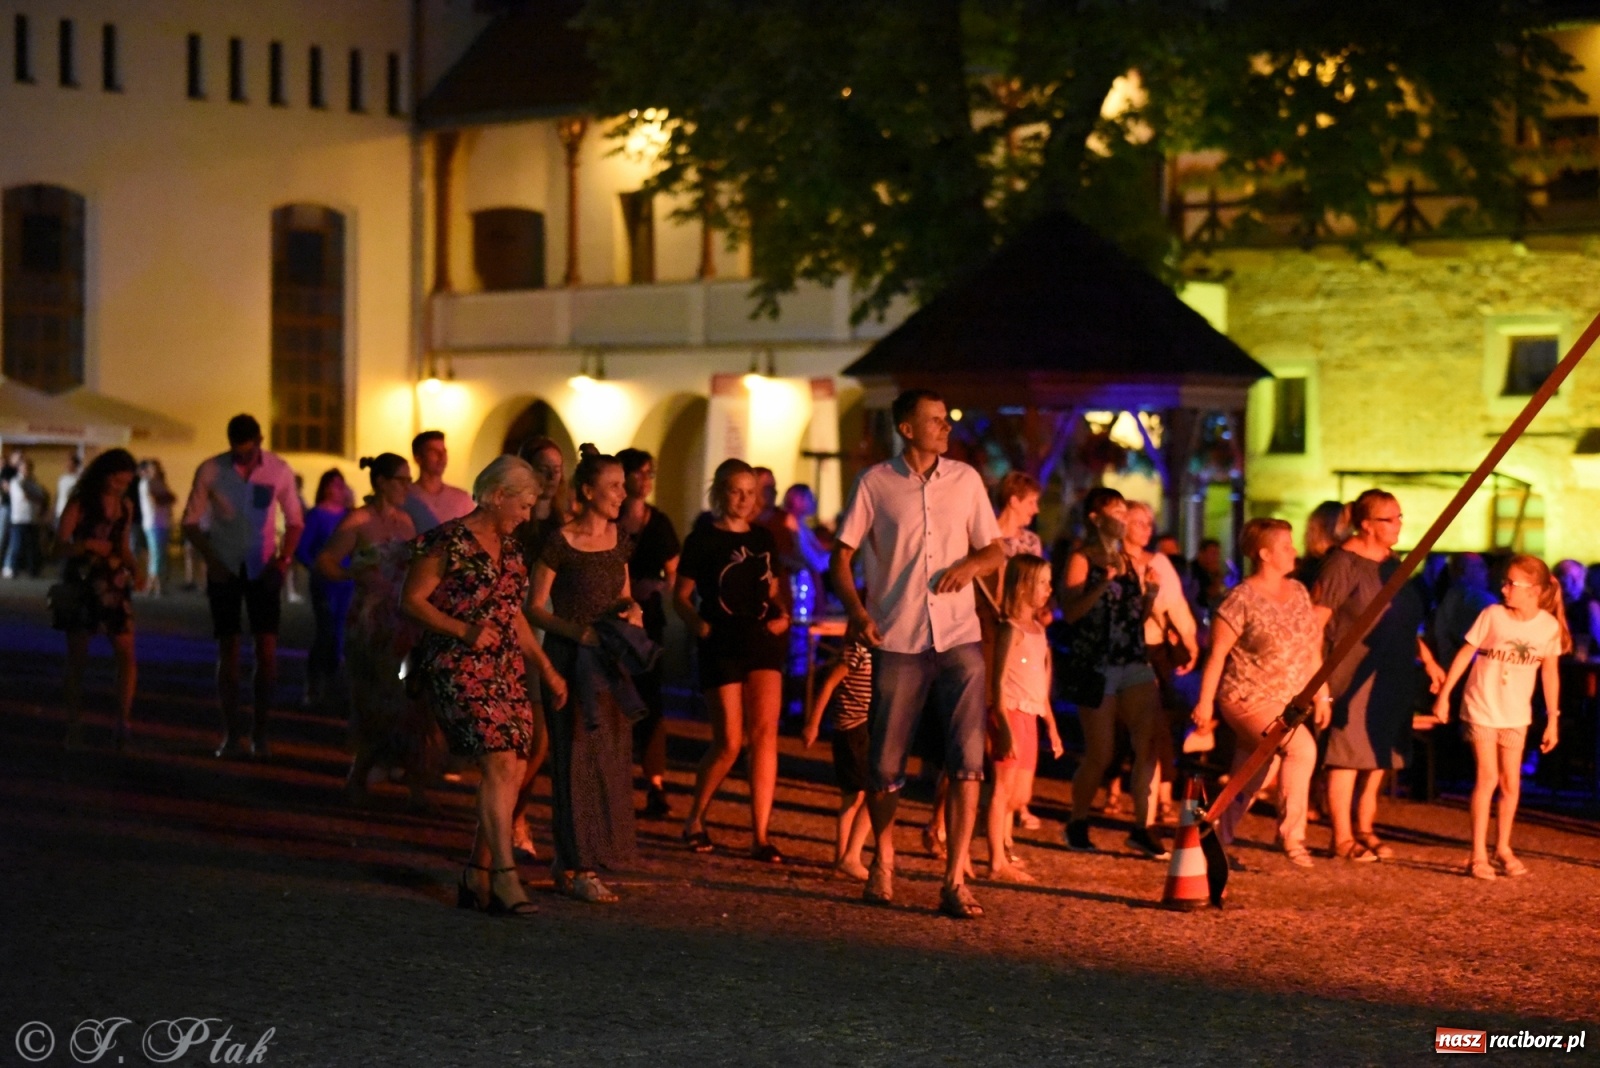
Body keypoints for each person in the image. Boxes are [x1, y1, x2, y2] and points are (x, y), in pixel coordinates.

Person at [831, 388, 1004, 919]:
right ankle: (884, 857)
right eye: (933, 420)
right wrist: (859, 614)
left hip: (958, 635)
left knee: (968, 761)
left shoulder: (966, 480)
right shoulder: (875, 483)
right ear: (906, 428)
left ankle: (955, 878)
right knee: (884, 762)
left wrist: (972, 567)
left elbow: (994, 548)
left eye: (946, 419)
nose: (945, 427)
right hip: (899, 635)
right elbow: (842, 557)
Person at [403, 455, 567, 917]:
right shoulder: (447, 541)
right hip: (457, 663)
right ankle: (505, 877)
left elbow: (513, 616)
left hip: (505, 665)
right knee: (498, 758)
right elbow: (412, 601)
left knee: (514, 766)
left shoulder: (513, 550)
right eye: (525, 502)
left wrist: (547, 668)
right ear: (498, 495)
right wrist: (463, 630)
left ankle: (476, 872)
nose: (528, 513)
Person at [526, 446, 644, 903]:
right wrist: (577, 633)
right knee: (573, 758)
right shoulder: (561, 541)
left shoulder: (618, 539)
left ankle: (579, 856)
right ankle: (578, 866)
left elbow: (625, 594)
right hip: (570, 660)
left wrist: (630, 612)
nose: (622, 493)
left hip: (607, 661)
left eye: (622, 485)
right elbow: (534, 606)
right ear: (589, 490)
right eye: (613, 486)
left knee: (606, 756)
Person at [1312, 489, 1445, 863]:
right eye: (1391, 519)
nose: (1399, 525)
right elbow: (1315, 622)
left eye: (1400, 517)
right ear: (1367, 525)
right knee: (1348, 754)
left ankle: (1365, 827)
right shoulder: (1344, 564)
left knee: (1378, 754)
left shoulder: (1394, 563)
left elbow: (1403, 620)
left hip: (1393, 670)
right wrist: (1318, 680)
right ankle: (1340, 837)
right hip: (1350, 672)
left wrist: (1429, 661)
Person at [1191, 519, 1331, 868]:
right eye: (1286, 546)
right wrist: (1205, 702)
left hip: (1288, 701)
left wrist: (1321, 691)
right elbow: (1218, 653)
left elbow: (1311, 648)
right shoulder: (1240, 598)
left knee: (1254, 774)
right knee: (1300, 749)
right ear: (1265, 554)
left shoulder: (1299, 592)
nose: (1294, 551)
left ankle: (1213, 839)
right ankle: (1291, 836)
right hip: (1247, 697)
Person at [677, 459, 792, 860]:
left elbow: (773, 587)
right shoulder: (702, 538)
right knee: (728, 741)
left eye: (750, 492)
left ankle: (760, 833)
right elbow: (681, 595)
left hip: (761, 640)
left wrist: (782, 614)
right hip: (721, 641)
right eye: (735, 491)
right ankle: (695, 817)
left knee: (764, 735)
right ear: (721, 492)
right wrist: (700, 627)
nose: (743, 500)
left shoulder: (763, 537)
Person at [1432, 554, 1565, 879]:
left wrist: (1552, 718)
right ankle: (1478, 852)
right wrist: (1446, 694)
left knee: (1511, 782)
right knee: (1487, 777)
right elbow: (1467, 652)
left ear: (1533, 590)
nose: (1504, 589)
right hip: (1482, 705)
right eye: (1504, 582)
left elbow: (1550, 672)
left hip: (1516, 713)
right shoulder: (1492, 615)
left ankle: (1503, 846)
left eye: (1512, 584)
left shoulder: (1547, 627)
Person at [181, 414, 304, 758]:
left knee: (267, 652)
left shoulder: (278, 470)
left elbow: (295, 521)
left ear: (260, 442)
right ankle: (232, 733)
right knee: (229, 651)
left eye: (248, 454)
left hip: (263, 567)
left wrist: (282, 562)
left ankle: (261, 733)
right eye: (237, 453)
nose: (242, 460)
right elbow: (189, 522)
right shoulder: (211, 470)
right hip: (225, 569)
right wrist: (212, 561)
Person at [1059, 487, 1168, 859]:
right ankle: (1077, 821)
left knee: (1147, 743)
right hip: (1097, 662)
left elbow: (1131, 617)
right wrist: (1102, 583)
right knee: (1100, 753)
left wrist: (1150, 596)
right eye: (1116, 511)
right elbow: (1071, 611)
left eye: (1126, 511)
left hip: (1133, 659)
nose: (1123, 517)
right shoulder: (1082, 557)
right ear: (1095, 517)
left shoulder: (1127, 558)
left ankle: (1143, 826)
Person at [317, 454, 425, 806]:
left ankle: (410, 783)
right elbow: (326, 561)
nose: (407, 487)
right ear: (380, 481)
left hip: (401, 621)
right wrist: (353, 575)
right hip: (369, 621)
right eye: (400, 480)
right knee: (375, 702)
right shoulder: (359, 520)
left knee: (407, 701)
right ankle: (360, 776)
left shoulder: (406, 522)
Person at [53, 449, 140, 749]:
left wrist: (135, 568)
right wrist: (87, 545)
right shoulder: (81, 503)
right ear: (104, 474)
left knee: (126, 652)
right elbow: (57, 546)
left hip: (114, 584)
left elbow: (124, 546)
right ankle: (74, 724)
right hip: (82, 583)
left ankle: (123, 722)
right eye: (116, 480)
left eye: (126, 483)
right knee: (77, 658)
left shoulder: (125, 507)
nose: (119, 487)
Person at [507, 436, 569, 861]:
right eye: (543, 467)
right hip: (517, 630)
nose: (551, 476)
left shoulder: (562, 526)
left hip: (551, 630)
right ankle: (506, 814)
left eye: (557, 469)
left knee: (540, 738)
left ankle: (514, 813)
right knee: (525, 736)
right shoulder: (516, 521)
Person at [985, 554, 1065, 882]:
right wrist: (1003, 726)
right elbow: (997, 681)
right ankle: (996, 861)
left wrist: (1052, 726)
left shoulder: (1036, 630)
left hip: (1030, 714)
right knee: (1003, 791)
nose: (1048, 589)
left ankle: (1004, 847)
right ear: (1023, 587)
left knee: (1021, 796)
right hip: (1011, 712)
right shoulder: (1010, 629)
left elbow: (1040, 683)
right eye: (1042, 583)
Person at [1124, 499, 1199, 821]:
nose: (1146, 529)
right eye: (1138, 522)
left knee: (1154, 726)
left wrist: (1190, 640)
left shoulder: (1159, 564)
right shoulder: (1110, 562)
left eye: (1148, 523)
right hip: (1121, 652)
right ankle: (1130, 797)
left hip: (1152, 651)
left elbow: (1177, 605)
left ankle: (1153, 806)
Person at [983, 470, 1048, 831]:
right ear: (1013, 499)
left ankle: (1014, 807)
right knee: (997, 711)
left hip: (1024, 632)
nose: (1035, 510)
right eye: (1032, 502)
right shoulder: (986, 536)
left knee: (1026, 708)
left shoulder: (1030, 542)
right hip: (994, 631)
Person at [618, 447, 681, 819]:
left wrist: (656, 589)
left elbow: (673, 571)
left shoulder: (659, 523)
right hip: (612, 621)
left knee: (650, 701)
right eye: (639, 473)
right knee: (614, 700)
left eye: (649, 473)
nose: (646, 480)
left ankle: (655, 783)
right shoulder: (609, 522)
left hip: (649, 623)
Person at [801, 636, 875, 880]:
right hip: (853, 729)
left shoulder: (873, 652)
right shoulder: (857, 651)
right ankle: (847, 858)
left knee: (854, 797)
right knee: (864, 795)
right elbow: (829, 684)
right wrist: (813, 723)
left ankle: (842, 857)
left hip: (859, 730)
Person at [296, 469, 355, 708]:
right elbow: (302, 548)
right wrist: (315, 568)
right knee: (326, 632)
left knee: (343, 633)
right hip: (325, 583)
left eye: (342, 484)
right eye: (334, 485)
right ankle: (314, 682)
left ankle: (336, 684)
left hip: (348, 582)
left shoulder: (351, 516)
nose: (339, 489)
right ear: (325, 488)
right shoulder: (316, 516)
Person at [403, 430, 475, 535]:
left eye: (444, 451)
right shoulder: (405, 497)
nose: (441, 457)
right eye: (434, 452)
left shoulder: (461, 499)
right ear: (418, 458)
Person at [137, 459, 176, 596]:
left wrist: (164, 498)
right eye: (152, 468)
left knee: (161, 554)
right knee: (157, 554)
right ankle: (154, 586)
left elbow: (172, 498)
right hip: (153, 523)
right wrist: (164, 498)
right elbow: (156, 500)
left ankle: (154, 585)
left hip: (164, 522)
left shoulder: (161, 483)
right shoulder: (146, 483)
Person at [4, 457, 48, 578]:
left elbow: (41, 497)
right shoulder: (15, 482)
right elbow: (26, 496)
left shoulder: (32, 483)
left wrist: (35, 497)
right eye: (24, 467)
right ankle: (13, 569)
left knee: (32, 547)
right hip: (19, 519)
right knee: (17, 546)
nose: (26, 470)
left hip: (32, 519)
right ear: (19, 468)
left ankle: (33, 571)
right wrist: (35, 497)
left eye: (28, 468)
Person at [1296, 500, 1348, 588]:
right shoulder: (1326, 566)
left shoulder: (1307, 566)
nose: (1350, 528)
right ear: (1329, 525)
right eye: (1343, 522)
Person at [55, 452, 81, 522]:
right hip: (60, 512)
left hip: (72, 514)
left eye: (70, 463)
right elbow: (58, 495)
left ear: (75, 465)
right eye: (67, 463)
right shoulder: (62, 479)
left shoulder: (78, 480)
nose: (67, 465)